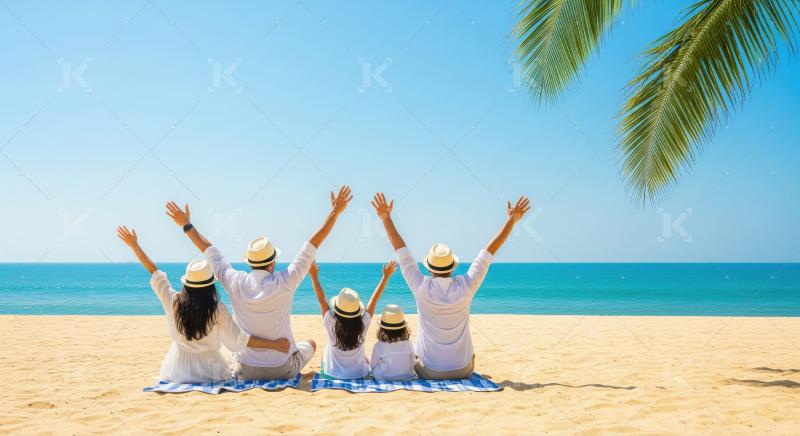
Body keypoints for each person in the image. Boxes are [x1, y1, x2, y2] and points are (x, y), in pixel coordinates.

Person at [164, 186, 353, 380]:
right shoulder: (286, 281)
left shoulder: (235, 281)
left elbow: (209, 250)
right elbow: (312, 245)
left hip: (245, 370)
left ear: (250, 262)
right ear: (273, 262)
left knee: (235, 352)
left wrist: (187, 225)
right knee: (311, 343)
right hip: (282, 368)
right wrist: (335, 212)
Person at [371, 193, 531, 379]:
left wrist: (385, 218)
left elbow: (402, 253)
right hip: (463, 370)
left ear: (430, 268)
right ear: (452, 267)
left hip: (429, 372)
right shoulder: (466, 286)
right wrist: (511, 221)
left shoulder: (421, 287)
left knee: (414, 354)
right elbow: (488, 253)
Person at [116, 226, 289, 383]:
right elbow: (239, 340)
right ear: (210, 285)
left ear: (187, 283)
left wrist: (134, 245)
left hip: (178, 370)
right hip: (211, 370)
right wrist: (275, 345)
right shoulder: (216, 308)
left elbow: (154, 271)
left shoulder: (173, 301)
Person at [308, 260, 397, 379]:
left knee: (324, 351)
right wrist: (386, 277)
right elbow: (373, 300)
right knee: (364, 358)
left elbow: (321, 300)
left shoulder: (331, 322)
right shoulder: (363, 324)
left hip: (333, 375)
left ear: (337, 309)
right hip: (359, 375)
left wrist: (313, 276)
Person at [370, 304, 416, 381]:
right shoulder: (409, 344)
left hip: (384, 378)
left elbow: (373, 365)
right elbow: (413, 363)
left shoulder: (378, 345)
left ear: (383, 329)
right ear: (403, 328)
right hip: (407, 377)